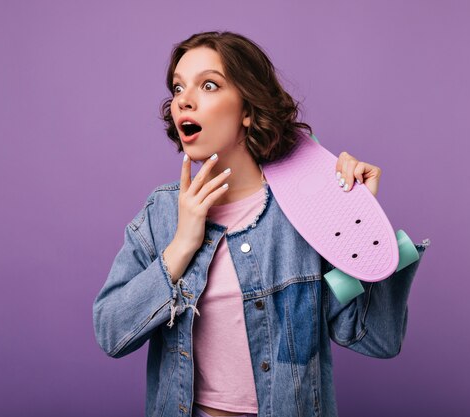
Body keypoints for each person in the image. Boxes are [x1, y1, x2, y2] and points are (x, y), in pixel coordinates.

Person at [92, 31, 429, 417]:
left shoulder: (306, 213)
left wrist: (361, 227)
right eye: (178, 88)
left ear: (248, 110)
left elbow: (379, 340)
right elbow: (111, 333)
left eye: (208, 85)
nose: (184, 99)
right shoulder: (161, 214)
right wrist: (181, 246)